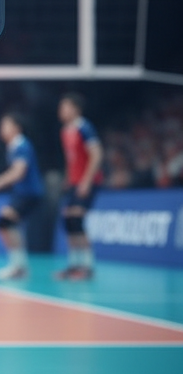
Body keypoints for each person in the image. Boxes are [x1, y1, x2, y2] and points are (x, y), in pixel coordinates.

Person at [0, 113, 45, 280]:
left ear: (16, 128)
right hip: (22, 194)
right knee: (7, 224)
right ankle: (19, 266)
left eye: (6, 125)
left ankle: (19, 267)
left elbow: (18, 173)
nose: (2, 129)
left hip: (30, 193)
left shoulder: (22, 145)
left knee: (5, 222)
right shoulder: (13, 146)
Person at [55, 92, 103, 281]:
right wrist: (68, 179)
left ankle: (88, 266)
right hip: (74, 183)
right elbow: (71, 159)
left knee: (76, 220)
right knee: (68, 221)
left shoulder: (85, 127)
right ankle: (74, 265)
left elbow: (97, 154)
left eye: (65, 107)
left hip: (87, 181)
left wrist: (86, 181)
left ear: (76, 109)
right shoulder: (65, 131)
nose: (61, 111)